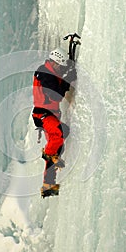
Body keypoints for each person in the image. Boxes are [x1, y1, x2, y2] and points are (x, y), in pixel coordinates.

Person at [32, 46, 77, 197]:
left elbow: (57, 80)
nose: (61, 69)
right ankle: (49, 163)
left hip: (50, 114)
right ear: (56, 63)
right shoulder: (45, 74)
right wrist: (69, 78)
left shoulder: (49, 71)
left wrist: (68, 70)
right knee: (57, 135)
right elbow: (56, 96)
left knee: (63, 134)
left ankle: (50, 173)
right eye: (61, 66)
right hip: (43, 115)